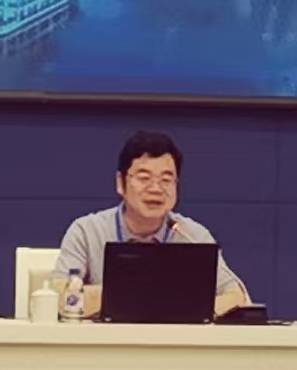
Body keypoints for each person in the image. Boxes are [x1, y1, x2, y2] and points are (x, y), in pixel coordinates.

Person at [56, 130, 249, 319]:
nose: (156, 189)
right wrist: (149, 296)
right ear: (121, 183)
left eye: (166, 180)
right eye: (144, 178)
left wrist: (191, 307)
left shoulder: (192, 235)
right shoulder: (87, 231)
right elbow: (59, 297)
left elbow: (237, 296)